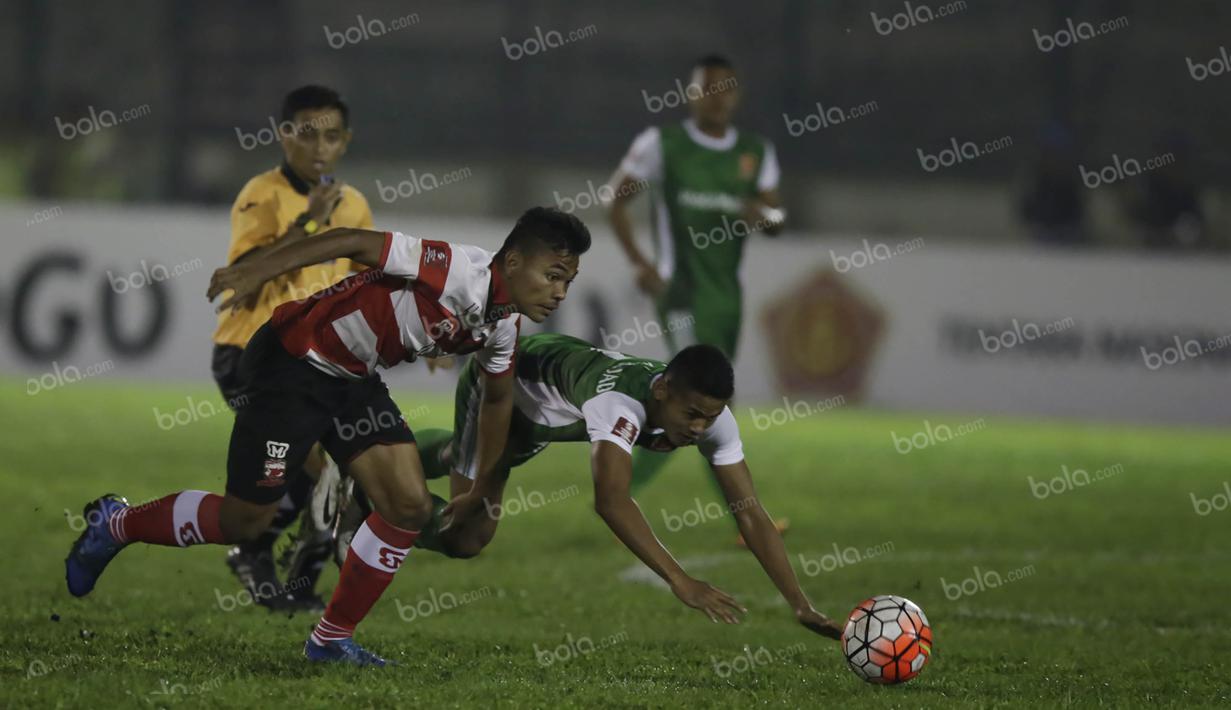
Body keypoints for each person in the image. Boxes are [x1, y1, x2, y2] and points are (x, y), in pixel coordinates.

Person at [65, 207, 591, 666]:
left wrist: (475, 487)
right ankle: (118, 523)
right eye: (554, 275)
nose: (561, 292)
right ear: (515, 262)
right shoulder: (455, 267)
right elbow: (352, 241)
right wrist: (256, 271)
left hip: (352, 382)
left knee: (408, 506)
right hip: (291, 363)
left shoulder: (502, 325)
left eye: (568, 280)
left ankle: (330, 640)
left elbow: (497, 400)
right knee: (245, 522)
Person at [337, 333, 844, 639]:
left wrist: (801, 603)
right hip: (509, 384)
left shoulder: (709, 419)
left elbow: (750, 511)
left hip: (547, 413)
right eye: (690, 414)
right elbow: (610, 500)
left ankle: (370, 485)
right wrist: (680, 579)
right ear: (662, 390)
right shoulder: (619, 407)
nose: (696, 429)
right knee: (465, 534)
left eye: (707, 418)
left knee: (461, 481)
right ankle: (368, 486)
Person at [606, 54, 788, 541]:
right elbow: (615, 200)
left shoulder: (754, 151)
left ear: (737, 95)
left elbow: (776, 220)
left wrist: (763, 216)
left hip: (726, 295)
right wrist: (641, 263)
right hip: (680, 290)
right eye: (706, 87)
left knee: (693, 405)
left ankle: (618, 490)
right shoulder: (662, 144)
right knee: (704, 401)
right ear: (690, 94)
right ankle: (745, 517)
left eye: (724, 87)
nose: (715, 96)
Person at [212, 84, 372, 613]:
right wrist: (309, 222)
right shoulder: (262, 194)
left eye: (330, 137)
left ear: (345, 142)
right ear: (284, 136)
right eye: (307, 135)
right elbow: (245, 280)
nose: (319, 148)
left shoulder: (353, 204)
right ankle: (259, 552)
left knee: (332, 474)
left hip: (315, 362)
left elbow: (362, 280)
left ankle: (281, 570)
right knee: (313, 472)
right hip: (250, 354)